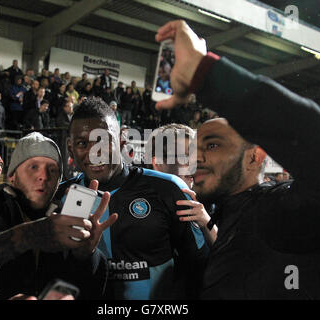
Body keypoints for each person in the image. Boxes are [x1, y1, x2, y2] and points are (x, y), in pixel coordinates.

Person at [155, 20, 320, 299]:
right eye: (195, 146)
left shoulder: (281, 214)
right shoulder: (225, 217)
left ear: (255, 156)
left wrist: (207, 74)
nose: (196, 156)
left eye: (213, 144)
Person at [0, 132, 117, 300]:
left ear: (59, 182)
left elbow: (93, 293)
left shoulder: (66, 221)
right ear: (12, 176)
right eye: (33, 167)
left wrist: (87, 257)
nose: (43, 176)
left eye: (52, 170)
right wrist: (31, 234)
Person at [58, 97, 208, 299]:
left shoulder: (169, 189)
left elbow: (200, 266)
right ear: (70, 148)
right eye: (82, 143)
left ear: (121, 141)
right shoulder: (61, 198)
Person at [146, 123, 217, 246]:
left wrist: (206, 222)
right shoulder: (136, 203)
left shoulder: (206, 201)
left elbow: (228, 254)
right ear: (157, 162)